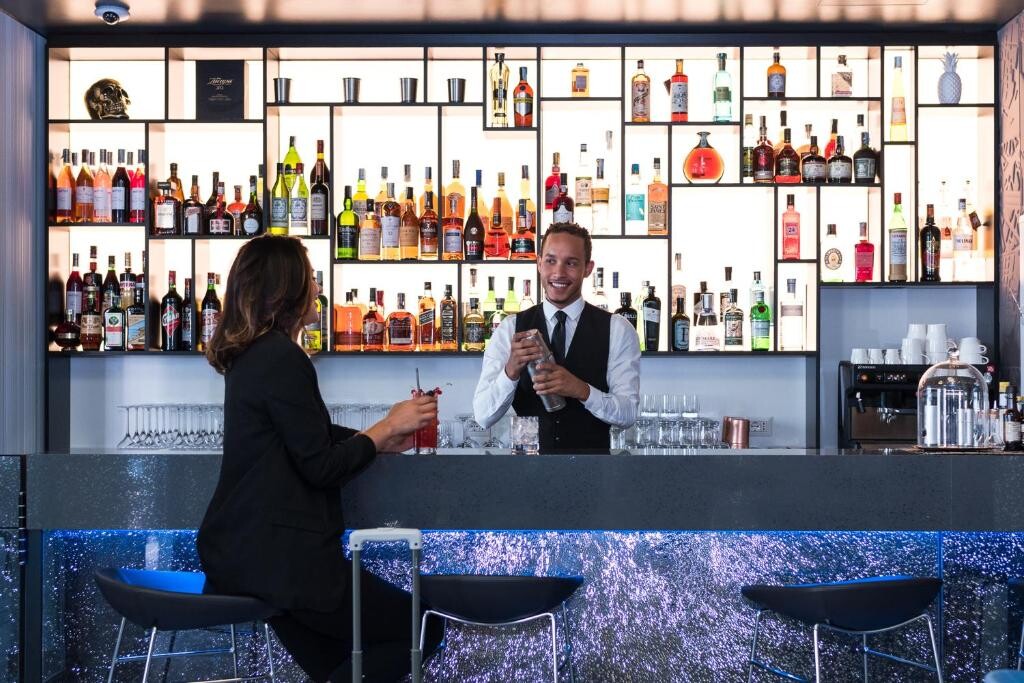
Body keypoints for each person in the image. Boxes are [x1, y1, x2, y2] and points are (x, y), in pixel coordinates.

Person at [196, 235, 441, 683]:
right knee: (423, 627)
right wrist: (385, 428)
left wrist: (381, 438)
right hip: (283, 563)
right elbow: (321, 466)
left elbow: (305, 435)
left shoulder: (256, 354)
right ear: (284, 291)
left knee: (339, 669)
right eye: (310, 278)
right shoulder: (280, 356)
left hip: (245, 556)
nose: (317, 288)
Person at [473, 222, 640, 451]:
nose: (559, 273)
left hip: (593, 468)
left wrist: (582, 390)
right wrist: (510, 371)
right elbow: (483, 416)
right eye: (551, 261)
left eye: (571, 263)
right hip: (528, 468)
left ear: (588, 268)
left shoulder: (618, 329)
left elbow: (628, 413)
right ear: (539, 263)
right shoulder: (510, 328)